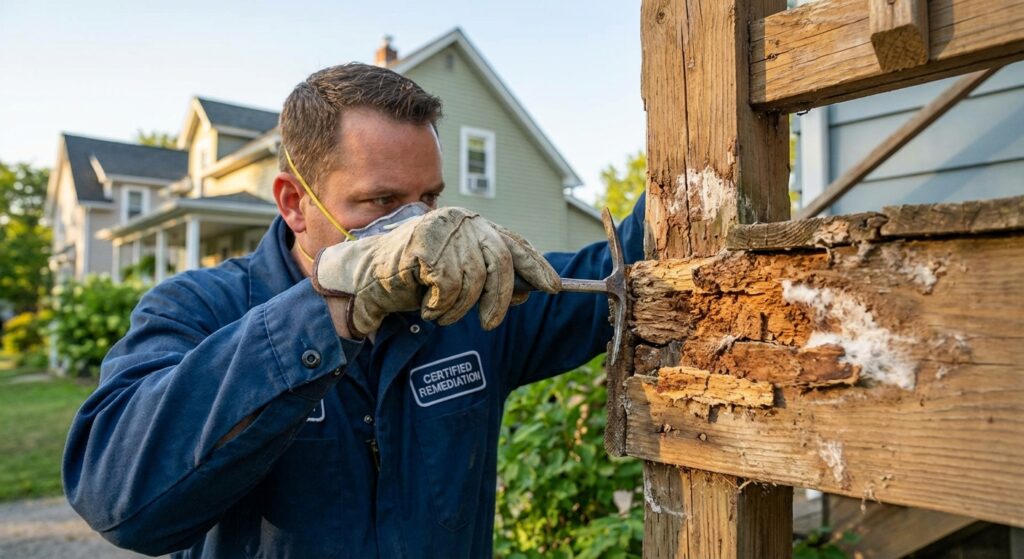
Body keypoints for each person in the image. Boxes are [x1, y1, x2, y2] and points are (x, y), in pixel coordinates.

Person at [63, 62, 645, 558]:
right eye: (384, 201)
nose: (418, 227)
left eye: (431, 199)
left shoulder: (467, 306)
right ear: (295, 203)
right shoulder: (199, 308)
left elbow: (627, 261)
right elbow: (116, 496)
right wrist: (331, 309)